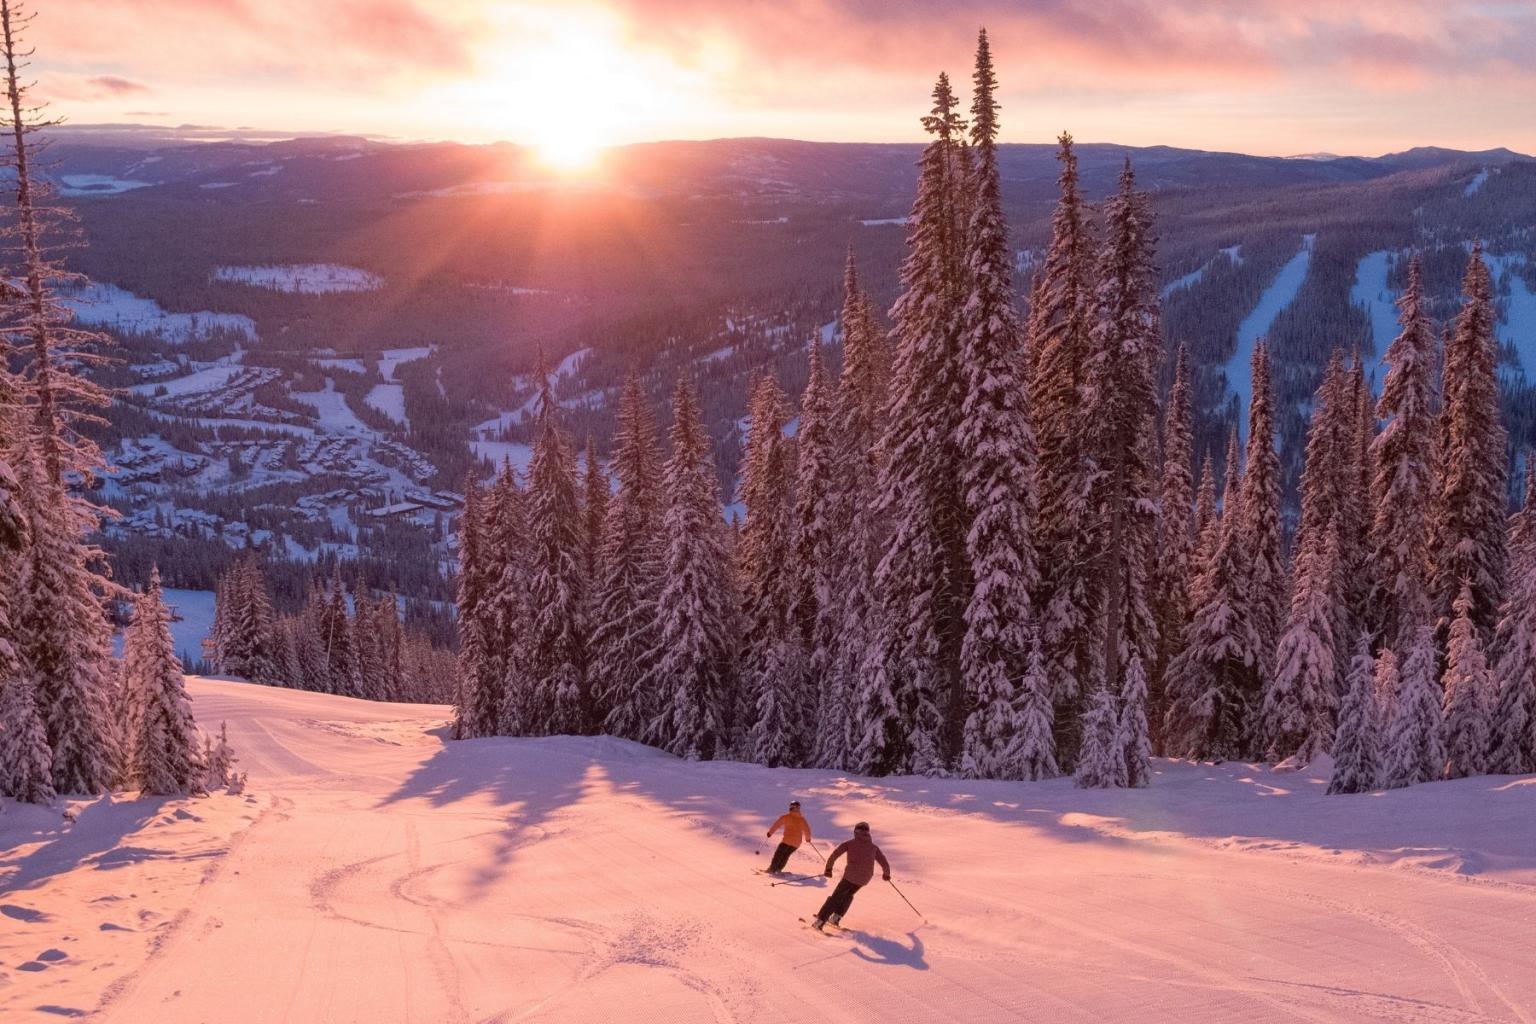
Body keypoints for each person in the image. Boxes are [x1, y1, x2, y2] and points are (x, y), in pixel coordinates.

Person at [812, 821, 889, 930]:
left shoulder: (850, 843)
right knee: (848, 895)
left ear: (855, 832)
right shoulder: (873, 847)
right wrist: (886, 874)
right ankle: (836, 918)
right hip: (864, 879)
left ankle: (820, 921)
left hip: (850, 876)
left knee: (836, 897)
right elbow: (884, 862)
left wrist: (828, 869)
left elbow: (835, 855)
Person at [765, 800, 813, 874]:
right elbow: (807, 830)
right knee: (786, 855)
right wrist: (808, 839)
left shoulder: (786, 817)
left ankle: (772, 869)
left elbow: (777, 825)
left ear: (791, 808)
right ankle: (778, 869)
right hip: (796, 843)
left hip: (787, 840)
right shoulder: (802, 819)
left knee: (779, 854)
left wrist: (770, 833)